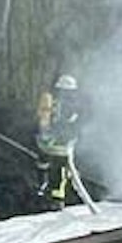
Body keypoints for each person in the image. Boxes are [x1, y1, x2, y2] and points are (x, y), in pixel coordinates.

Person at [36, 74, 87, 208]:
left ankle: (52, 196)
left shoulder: (54, 101)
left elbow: (45, 121)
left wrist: (46, 135)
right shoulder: (69, 104)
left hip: (55, 143)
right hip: (60, 144)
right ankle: (55, 198)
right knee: (59, 171)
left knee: (53, 169)